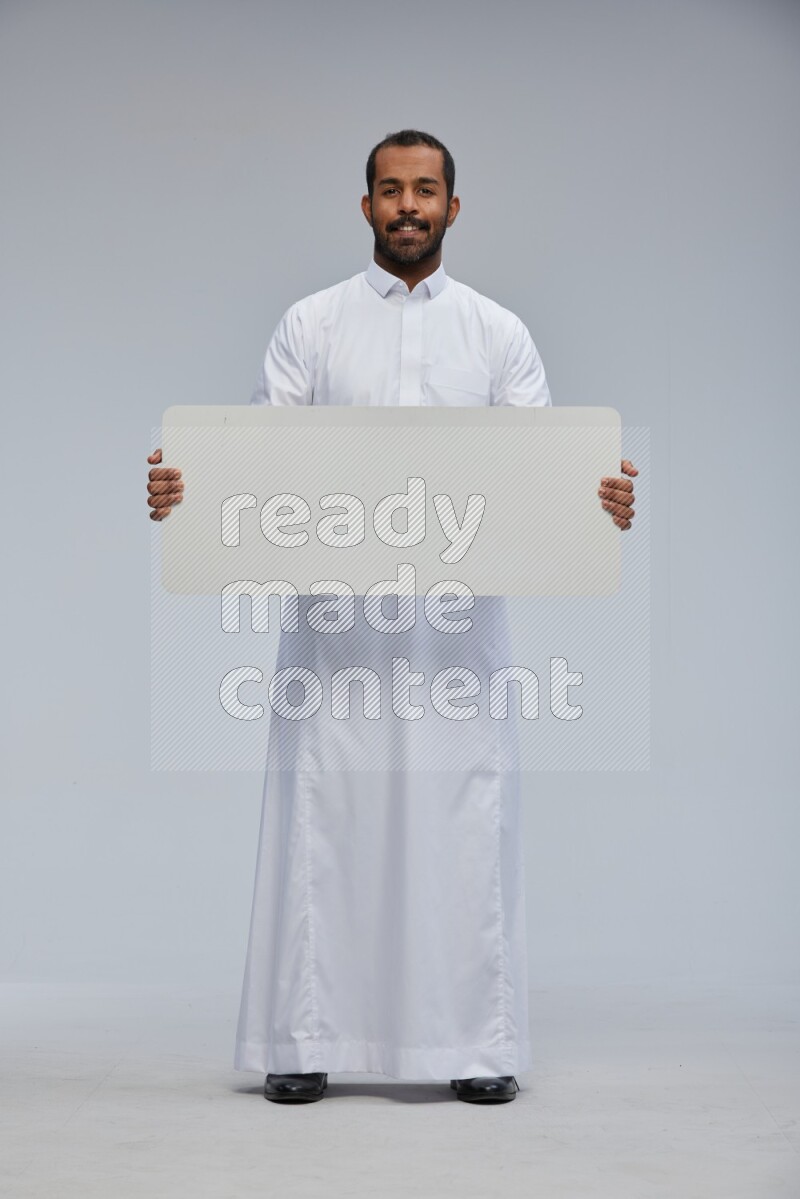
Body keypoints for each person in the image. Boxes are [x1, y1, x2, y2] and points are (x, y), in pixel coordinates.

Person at [147, 130, 637, 1106]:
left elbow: (542, 476)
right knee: (321, 825)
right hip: (334, 640)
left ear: (454, 207)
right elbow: (254, 467)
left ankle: (475, 1045)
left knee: (463, 833)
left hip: (455, 644)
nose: (406, 205)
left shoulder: (497, 334)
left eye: (424, 190)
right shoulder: (311, 326)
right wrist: (184, 491)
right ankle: (302, 1036)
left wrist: (599, 501)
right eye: (388, 190)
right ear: (364, 205)